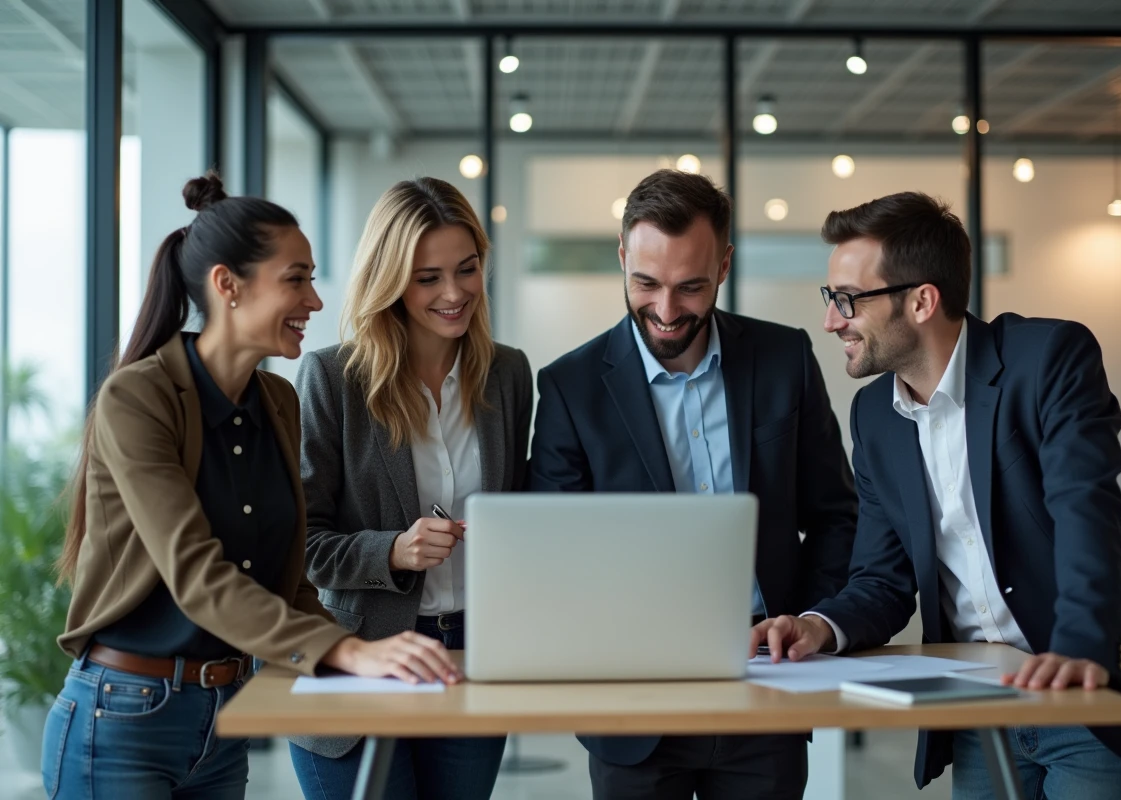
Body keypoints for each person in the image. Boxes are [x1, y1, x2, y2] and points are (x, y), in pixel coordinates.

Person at [751, 191, 1121, 799]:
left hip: (1086, 696)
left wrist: (1080, 648)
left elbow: (1085, 511)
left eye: (848, 299)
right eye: (831, 298)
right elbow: (881, 579)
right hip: (980, 706)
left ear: (922, 301)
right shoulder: (874, 416)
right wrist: (817, 626)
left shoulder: (1048, 359)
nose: (832, 320)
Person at [43, 172, 460, 800]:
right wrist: (348, 652)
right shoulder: (138, 398)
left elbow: (290, 583)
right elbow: (197, 575)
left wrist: (364, 657)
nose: (314, 301)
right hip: (123, 715)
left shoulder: (278, 400)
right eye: (296, 279)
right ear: (227, 285)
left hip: (225, 718)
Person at [528, 168, 858, 800]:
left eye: (690, 287)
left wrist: (810, 620)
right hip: (631, 697)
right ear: (622, 256)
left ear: (724, 265)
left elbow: (836, 515)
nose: (666, 310)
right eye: (646, 283)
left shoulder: (785, 358)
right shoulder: (570, 387)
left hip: (768, 686)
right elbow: (553, 551)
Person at [286, 177, 531, 800]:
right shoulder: (333, 378)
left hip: (473, 653)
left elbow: (525, 509)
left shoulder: (507, 373)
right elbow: (300, 545)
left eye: (467, 269)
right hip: (360, 653)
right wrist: (392, 551)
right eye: (428, 278)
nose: (454, 293)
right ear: (390, 280)